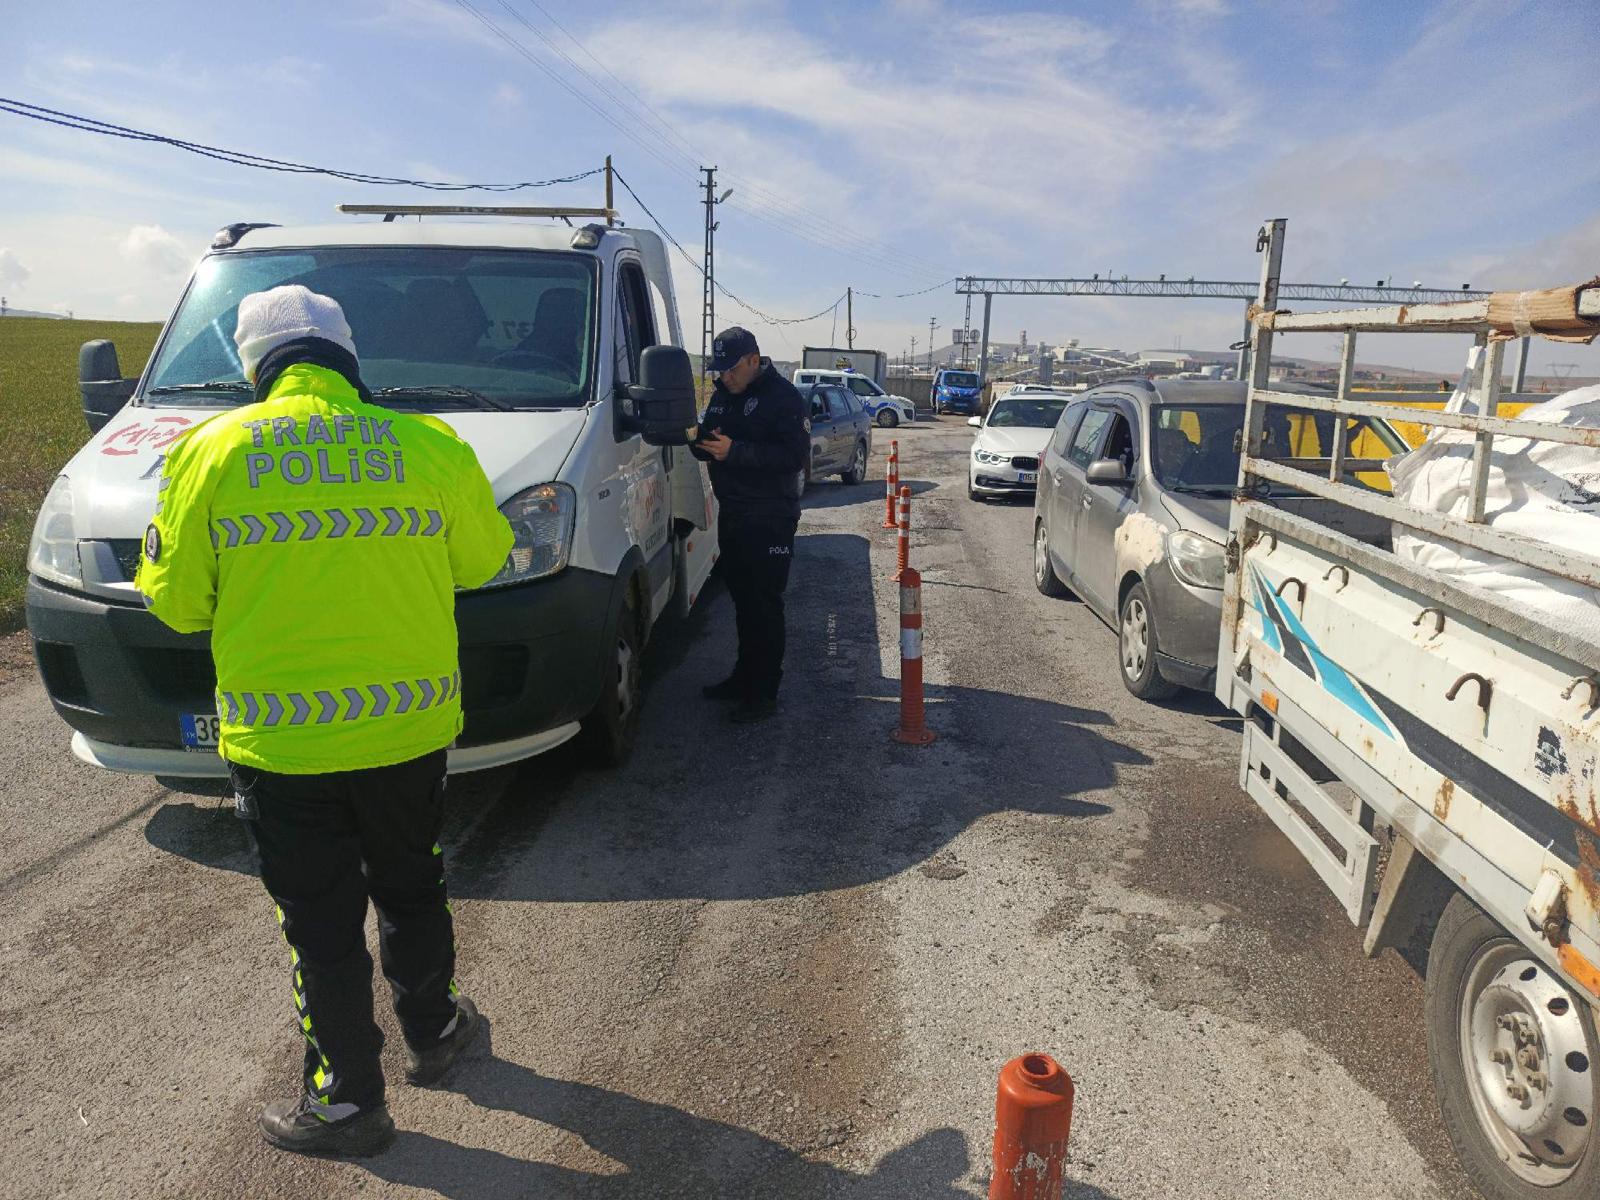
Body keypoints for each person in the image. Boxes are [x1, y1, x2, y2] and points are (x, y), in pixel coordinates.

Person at [135, 285, 513, 1157]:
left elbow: (179, 603)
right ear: (347, 357)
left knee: (319, 920)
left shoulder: (212, 450)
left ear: (255, 365)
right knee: (414, 886)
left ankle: (346, 1101)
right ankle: (435, 1032)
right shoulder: (427, 444)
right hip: (407, 732)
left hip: (284, 744)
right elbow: (487, 558)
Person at [691, 326, 810, 723]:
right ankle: (743, 678)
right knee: (742, 602)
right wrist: (704, 442)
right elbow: (712, 436)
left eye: (731, 369)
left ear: (754, 361)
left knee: (765, 605)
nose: (725, 377)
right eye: (720, 370)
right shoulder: (725, 394)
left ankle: (764, 693)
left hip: (770, 517)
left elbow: (793, 457)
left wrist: (735, 452)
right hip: (734, 512)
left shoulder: (784, 399)